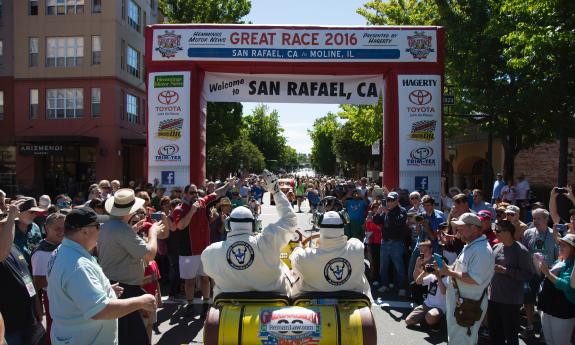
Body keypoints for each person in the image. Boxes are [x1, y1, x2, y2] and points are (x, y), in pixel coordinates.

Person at [47, 207, 157, 345]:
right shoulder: (78, 265)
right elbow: (101, 311)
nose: (101, 230)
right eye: (98, 226)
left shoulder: (61, 252)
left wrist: (105, 290)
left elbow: (71, 291)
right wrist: (141, 301)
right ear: (85, 231)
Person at [201, 170, 298, 298]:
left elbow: (210, 272)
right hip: (273, 303)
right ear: (255, 225)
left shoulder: (210, 252)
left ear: (228, 224)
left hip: (229, 308)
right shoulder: (267, 241)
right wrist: (276, 191)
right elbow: (290, 220)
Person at [97, 189, 165, 345]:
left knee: (123, 335)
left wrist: (133, 231)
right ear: (132, 210)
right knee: (132, 338)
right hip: (124, 289)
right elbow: (149, 255)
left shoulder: (109, 226)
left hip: (116, 287)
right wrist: (153, 233)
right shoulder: (121, 229)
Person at [173, 180, 233, 316]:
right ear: (185, 194)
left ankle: (206, 304)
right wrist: (192, 211)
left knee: (205, 278)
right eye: (191, 193)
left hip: (204, 251)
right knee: (190, 281)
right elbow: (180, 226)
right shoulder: (179, 209)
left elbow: (217, 193)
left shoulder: (202, 202)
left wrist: (228, 185)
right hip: (188, 251)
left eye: (196, 192)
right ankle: (190, 305)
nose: (195, 195)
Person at [439, 213, 494, 345]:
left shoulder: (482, 250)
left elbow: (474, 279)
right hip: (462, 303)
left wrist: (450, 272)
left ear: (474, 228)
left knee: (462, 341)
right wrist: (445, 268)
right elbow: (461, 269)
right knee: (458, 339)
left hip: (468, 306)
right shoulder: (472, 245)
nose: (458, 232)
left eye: (461, 228)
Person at [290, 210, 372, 299]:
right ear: (343, 226)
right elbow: (352, 242)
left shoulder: (304, 257)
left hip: (314, 303)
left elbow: (294, 259)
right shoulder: (357, 247)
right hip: (354, 301)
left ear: (320, 227)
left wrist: (298, 247)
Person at [1, 201, 46, 345]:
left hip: (30, 319)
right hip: (10, 325)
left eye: (5, 223)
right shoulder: (4, 249)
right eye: (3, 224)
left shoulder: (14, 246)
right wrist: (11, 217)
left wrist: (37, 304)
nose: (6, 226)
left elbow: (26, 277)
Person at [487, 220, 533, 345]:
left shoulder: (521, 250)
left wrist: (506, 271)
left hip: (510, 301)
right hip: (493, 298)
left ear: (508, 232)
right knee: (495, 335)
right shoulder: (496, 247)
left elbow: (528, 274)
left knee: (511, 336)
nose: (495, 233)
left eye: (498, 231)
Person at [521, 208, 558, 338]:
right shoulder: (528, 233)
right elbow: (524, 252)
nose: (535, 221)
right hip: (531, 272)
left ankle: (544, 329)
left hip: (548, 273)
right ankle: (530, 326)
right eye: (534, 218)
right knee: (528, 300)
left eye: (538, 218)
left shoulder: (554, 234)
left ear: (546, 219)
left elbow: (559, 255)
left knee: (544, 302)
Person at [31, 212, 65, 345]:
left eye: (64, 228)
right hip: (53, 298)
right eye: (57, 229)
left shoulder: (63, 246)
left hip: (63, 297)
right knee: (55, 332)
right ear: (46, 229)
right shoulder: (41, 253)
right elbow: (38, 283)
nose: (62, 232)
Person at [536, 233, 575, 345]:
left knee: (560, 342)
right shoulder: (559, 260)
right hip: (548, 307)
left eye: (565, 245)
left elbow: (566, 285)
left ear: (573, 249)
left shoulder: (573, 264)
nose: (560, 247)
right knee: (549, 341)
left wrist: (547, 273)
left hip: (562, 310)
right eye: (560, 244)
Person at [406, 241, 448, 329]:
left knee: (430, 318)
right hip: (427, 304)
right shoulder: (431, 275)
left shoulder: (447, 279)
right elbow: (417, 281)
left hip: (439, 307)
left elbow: (444, 292)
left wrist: (438, 276)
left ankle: (436, 319)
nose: (423, 253)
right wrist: (422, 269)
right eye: (421, 251)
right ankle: (426, 318)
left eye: (437, 266)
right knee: (408, 321)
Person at [376, 191, 409, 296]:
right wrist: (378, 212)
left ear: (397, 200)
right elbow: (376, 221)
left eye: (391, 200)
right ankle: (384, 285)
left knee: (399, 266)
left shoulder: (402, 211)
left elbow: (397, 223)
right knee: (383, 266)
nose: (389, 202)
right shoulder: (386, 211)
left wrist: (387, 212)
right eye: (388, 200)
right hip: (385, 242)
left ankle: (402, 287)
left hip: (396, 243)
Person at [14, 197, 44, 264]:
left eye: (36, 212)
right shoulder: (8, 229)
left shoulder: (35, 227)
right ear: (19, 212)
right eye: (31, 212)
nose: (34, 215)